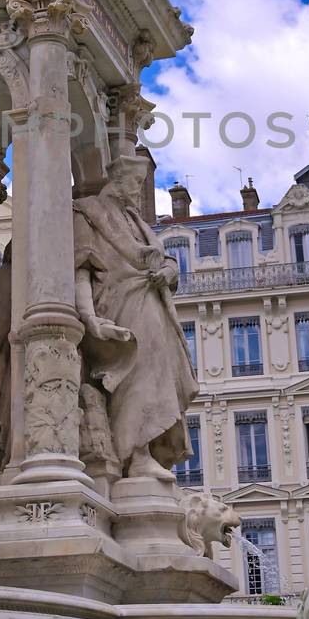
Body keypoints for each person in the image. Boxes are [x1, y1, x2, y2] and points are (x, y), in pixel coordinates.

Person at [73, 148, 196, 480]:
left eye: (142, 182)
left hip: (150, 302)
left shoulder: (136, 221)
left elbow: (163, 257)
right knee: (137, 373)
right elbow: (80, 268)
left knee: (159, 372)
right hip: (117, 304)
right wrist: (88, 316)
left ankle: (149, 449)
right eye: (135, 182)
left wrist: (170, 272)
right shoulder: (89, 211)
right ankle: (135, 453)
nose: (138, 190)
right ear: (117, 179)